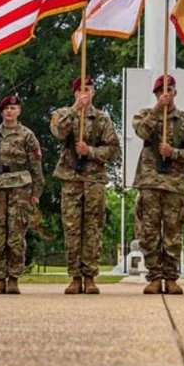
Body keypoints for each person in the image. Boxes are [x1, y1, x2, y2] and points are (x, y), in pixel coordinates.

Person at [50, 76, 120, 294]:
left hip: (94, 180)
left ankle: (89, 276)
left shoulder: (102, 119)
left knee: (92, 227)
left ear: (94, 92)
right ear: (74, 93)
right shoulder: (63, 114)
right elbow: (58, 133)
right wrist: (74, 109)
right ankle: (75, 276)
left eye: (88, 89)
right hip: (71, 179)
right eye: (80, 90)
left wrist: (90, 151)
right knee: (72, 228)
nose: (84, 93)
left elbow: (113, 150)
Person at [132, 74, 184, 295]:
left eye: (169, 90)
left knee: (173, 232)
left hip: (175, 184)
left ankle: (171, 277)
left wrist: (175, 153)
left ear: (175, 92)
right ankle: (154, 276)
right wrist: (156, 110)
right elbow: (142, 132)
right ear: (155, 94)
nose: (165, 94)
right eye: (161, 91)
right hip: (150, 182)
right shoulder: (144, 114)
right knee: (149, 232)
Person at [0, 94, 43, 295]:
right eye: (6, 108)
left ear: (19, 111)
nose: (9, 111)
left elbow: (36, 167)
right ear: (1, 112)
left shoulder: (27, 135)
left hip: (20, 186)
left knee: (16, 234)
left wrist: (36, 193)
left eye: (13, 108)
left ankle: (14, 278)